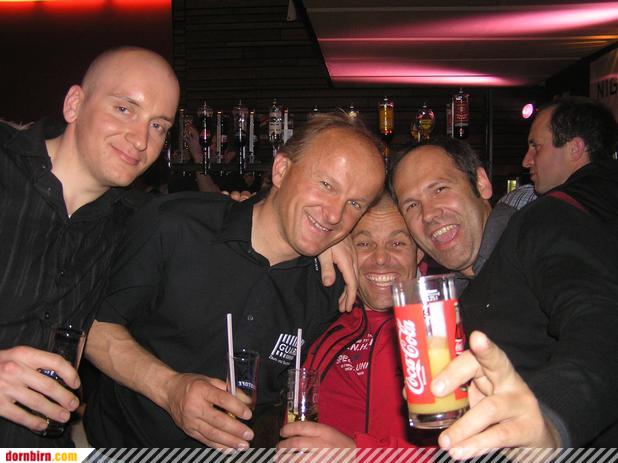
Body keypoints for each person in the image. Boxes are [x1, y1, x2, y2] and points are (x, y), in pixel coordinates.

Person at [83, 112, 386, 449]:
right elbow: (92, 327)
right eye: (326, 185)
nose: (334, 215)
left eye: (354, 203)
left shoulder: (330, 287)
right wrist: (169, 389)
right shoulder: (175, 225)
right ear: (281, 170)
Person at [389, 96, 618, 456]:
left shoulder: (540, 224)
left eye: (440, 189)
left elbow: (600, 322)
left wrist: (550, 421)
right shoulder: (447, 300)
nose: (429, 214)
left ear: (482, 183)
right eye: (412, 205)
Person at [0, 46, 180, 447]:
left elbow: (231, 225)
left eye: (158, 126)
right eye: (124, 109)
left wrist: (322, 245)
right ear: (74, 104)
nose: (140, 140)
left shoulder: (132, 223)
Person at [277, 193, 419, 452]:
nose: (380, 258)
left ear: (419, 253)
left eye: (397, 243)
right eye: (364, 244)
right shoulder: (323, 320)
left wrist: (356, 455)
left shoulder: (439, 333)